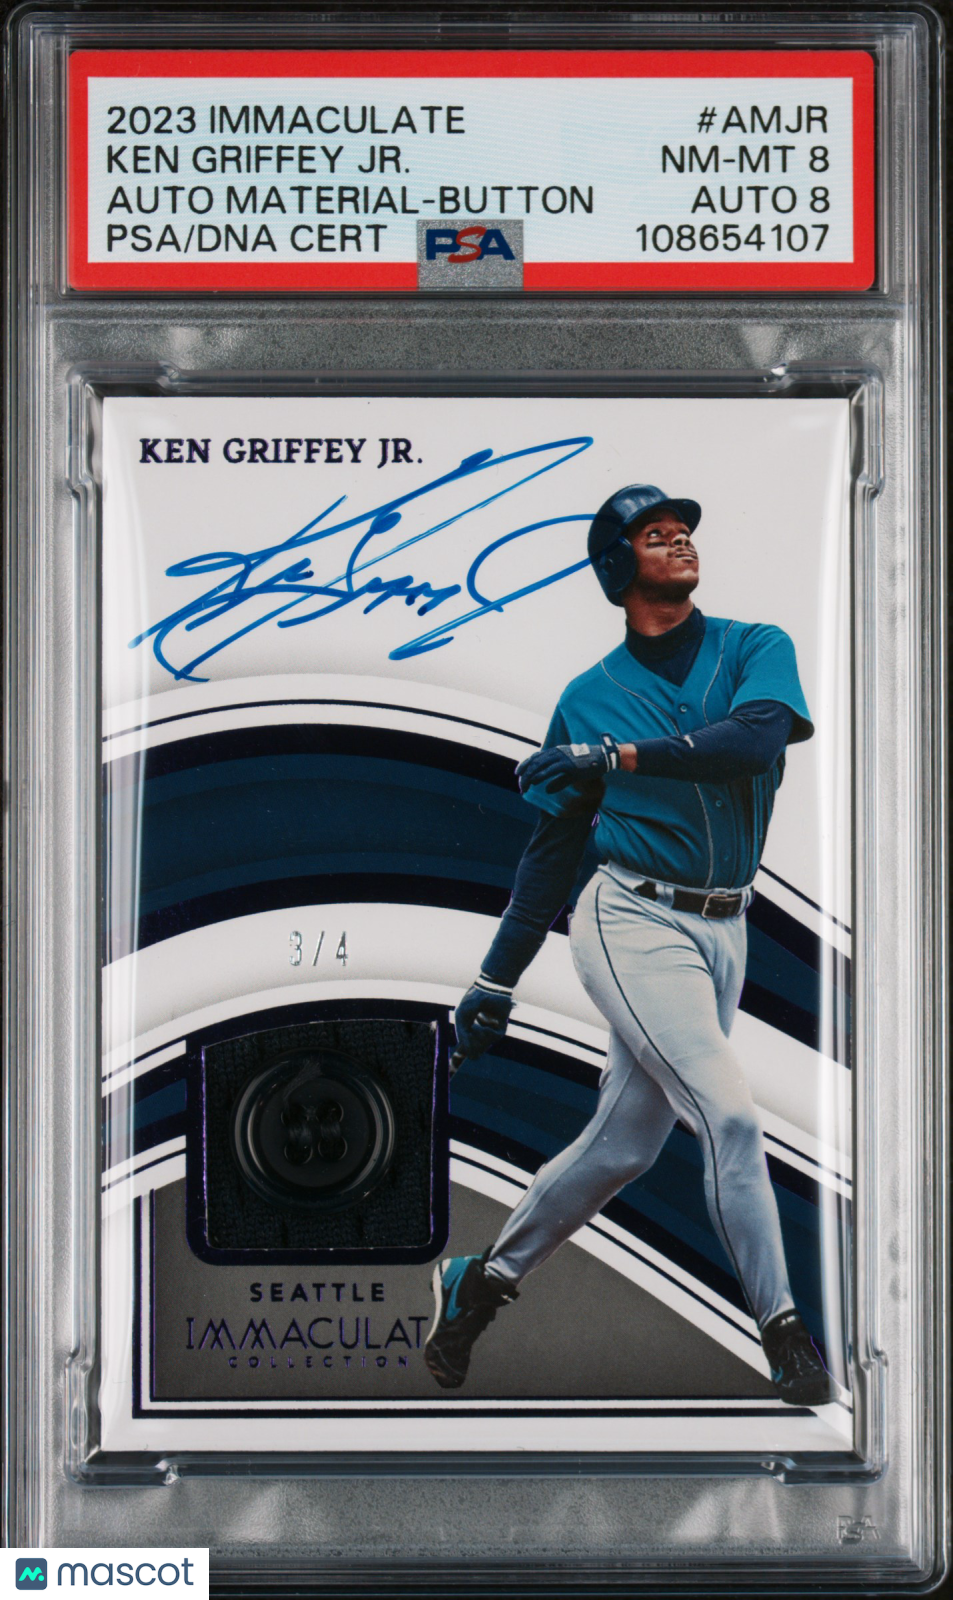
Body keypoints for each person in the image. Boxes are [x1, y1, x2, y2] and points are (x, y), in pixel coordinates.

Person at [423, 483, 836, 1407]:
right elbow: (552, 850)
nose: (679, 542)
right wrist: (495, 978)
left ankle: (479, 1281)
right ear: (618, 568)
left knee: (622, 1146)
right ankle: (783, 1333)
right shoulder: (587, 698)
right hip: (631, 919)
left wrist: (616, 758)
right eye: (655, 535)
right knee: (729, 1117)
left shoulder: (753, 647)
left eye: (682, 530)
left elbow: (752, 740)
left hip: (725, 926)